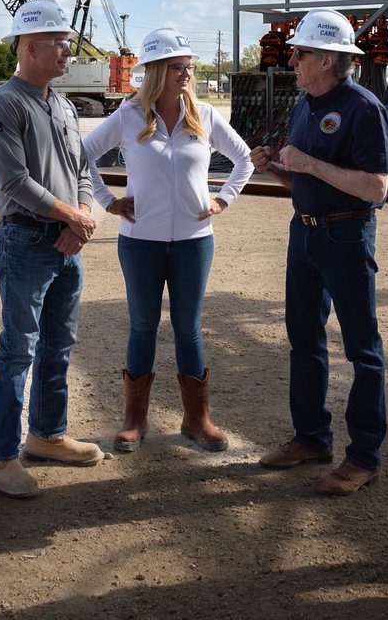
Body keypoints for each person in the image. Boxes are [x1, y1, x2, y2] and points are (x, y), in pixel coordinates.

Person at [82, 25, 253, 453]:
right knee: (142, 326)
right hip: (140, 241)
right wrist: (107, 200)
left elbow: (244, 159)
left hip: (195, 240)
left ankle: (197, 419)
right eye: (178, 67)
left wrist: (223, 200)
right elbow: (79, 156)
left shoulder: (205, 114)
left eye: (189, 67)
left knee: (188, 328)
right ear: (156, 70)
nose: (187, 75)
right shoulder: (127, 116)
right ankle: (134, 421)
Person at [250, 8, 388, 495]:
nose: (292, 60)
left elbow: (375, 187)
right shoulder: (305, 103)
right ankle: (312, 437)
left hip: (346, 235)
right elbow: (305, 179)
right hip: (305, 231)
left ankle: (363, 456)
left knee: (361, 347)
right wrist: (275, 169)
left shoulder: (362, 107)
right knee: (303, 338)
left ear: (329, 59)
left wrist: (309, 162)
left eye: (301, 52)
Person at [0, 0, 102, 498]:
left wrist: (82, 216)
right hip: (27, 240)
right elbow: (14, 182)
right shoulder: (4, 103)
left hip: (66, 242)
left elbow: (81, 172)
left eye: (66, 40)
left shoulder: (64, 104)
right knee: (18, 351)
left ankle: (47, 435)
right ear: (29, 46)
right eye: (58, 41)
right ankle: (1, 454)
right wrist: (70, 214)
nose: (67, 48)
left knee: (60, 345)